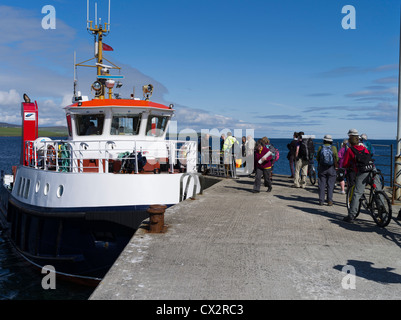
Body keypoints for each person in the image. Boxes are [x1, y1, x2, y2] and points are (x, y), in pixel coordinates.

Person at [342, 129, 382, 223]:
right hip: (373, 168)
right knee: (378, 191)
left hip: (363, 172)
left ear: (350, 143)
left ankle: (351, 215)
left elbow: (345, 163)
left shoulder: (350, 150)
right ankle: (383, 213)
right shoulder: (364, 148)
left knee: (357, 193)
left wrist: (348, 167)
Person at [316, 135, 338, 206]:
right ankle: (329, 201)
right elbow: (337, 158)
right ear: (331, 141)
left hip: (322, 168)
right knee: (330, 185)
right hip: (331, 168)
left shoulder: (320, 147)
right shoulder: (333, 148)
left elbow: (317, 158)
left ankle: (321, 200)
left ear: (324, 140)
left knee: (321, 184)